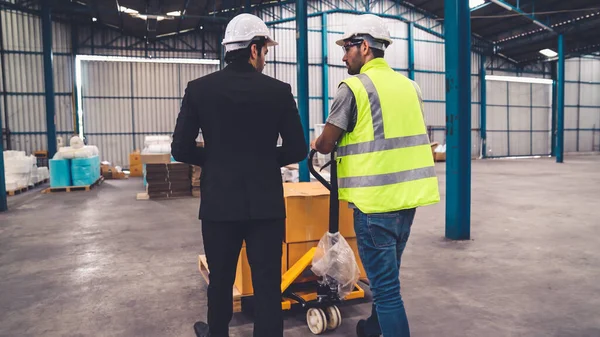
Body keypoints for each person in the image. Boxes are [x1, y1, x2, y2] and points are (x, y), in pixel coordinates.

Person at [171, 13, 307, 337]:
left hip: (219, 205)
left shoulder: (199, 90)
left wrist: (217, 159)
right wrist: (262, 159)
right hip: (266, 207)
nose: (265, 59)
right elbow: (298, 149)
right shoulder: (279, 91)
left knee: (220, 281)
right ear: (254, 48)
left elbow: (180, 148)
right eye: (265, 52)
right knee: (267, 285)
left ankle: (216, 332)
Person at [311, 14, 440, 337]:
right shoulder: (411, 87)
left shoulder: (353, 88)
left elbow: (326, 144)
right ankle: (372, 328)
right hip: (407, 202)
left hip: (375, 206)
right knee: (388, 277)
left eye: (347, 48)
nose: (343, 56)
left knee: (386, 290)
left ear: (364, 47)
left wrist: (316, 142)